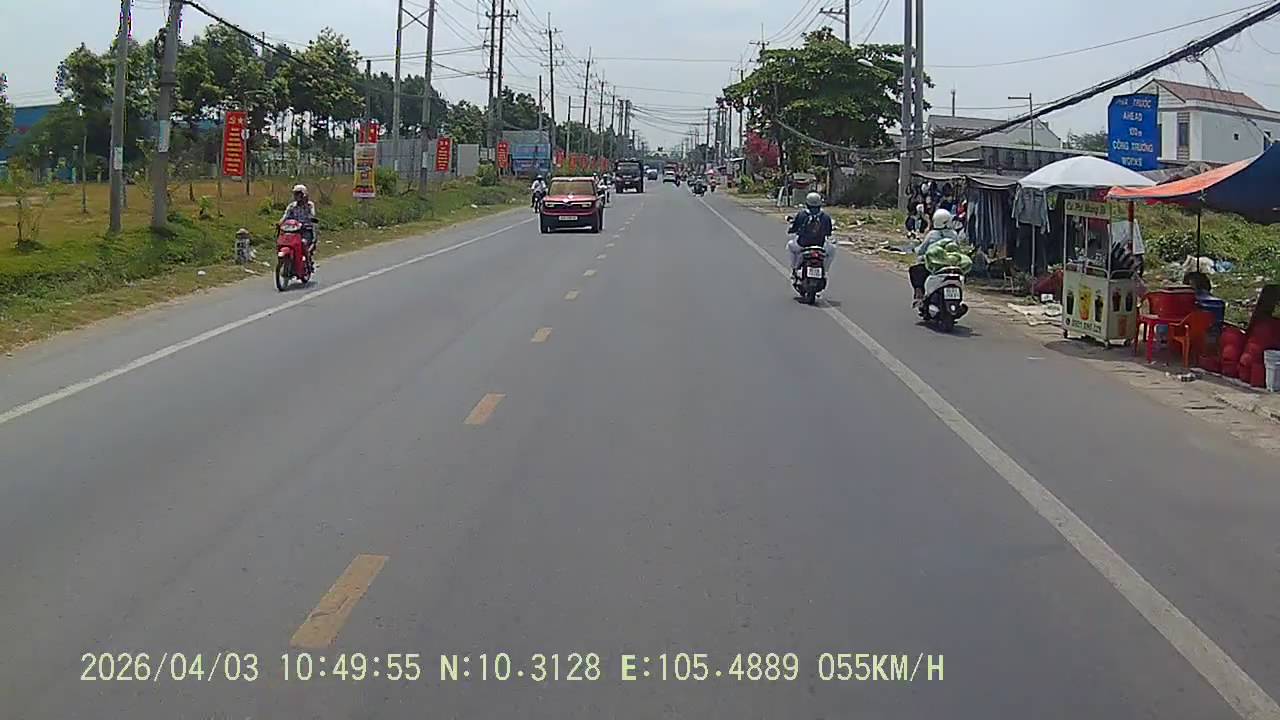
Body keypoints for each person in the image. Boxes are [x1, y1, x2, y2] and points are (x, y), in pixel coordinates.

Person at [909, 208, 960, 303]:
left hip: (935, 266)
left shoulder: (932, 234)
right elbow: (958, 247)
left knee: (915, 270)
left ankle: (919, 293)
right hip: (951, 264)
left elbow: (921, 249)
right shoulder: (954, 234)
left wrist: (914, 249)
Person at [787, 192, 836, 276]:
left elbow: (794, 228)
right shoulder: (825, 217)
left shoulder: (801, 214)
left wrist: (791, 230)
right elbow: (828, 232)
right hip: (820, 245)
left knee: (790, 246)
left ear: (807, 203)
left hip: (802, 245)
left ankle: (794, 268)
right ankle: (825, 270)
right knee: (832, 250)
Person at [280, 184, 318, 264]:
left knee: (303, 243)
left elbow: (312, 215)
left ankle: (307, 261)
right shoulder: (292, 206)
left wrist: (311, 219)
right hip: (293, 230)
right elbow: (285, 216)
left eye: (298, 194)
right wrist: (280, 223)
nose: (296, 196)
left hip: (305, 230)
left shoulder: (309, 205)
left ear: (304, 194)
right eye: (295, 194)